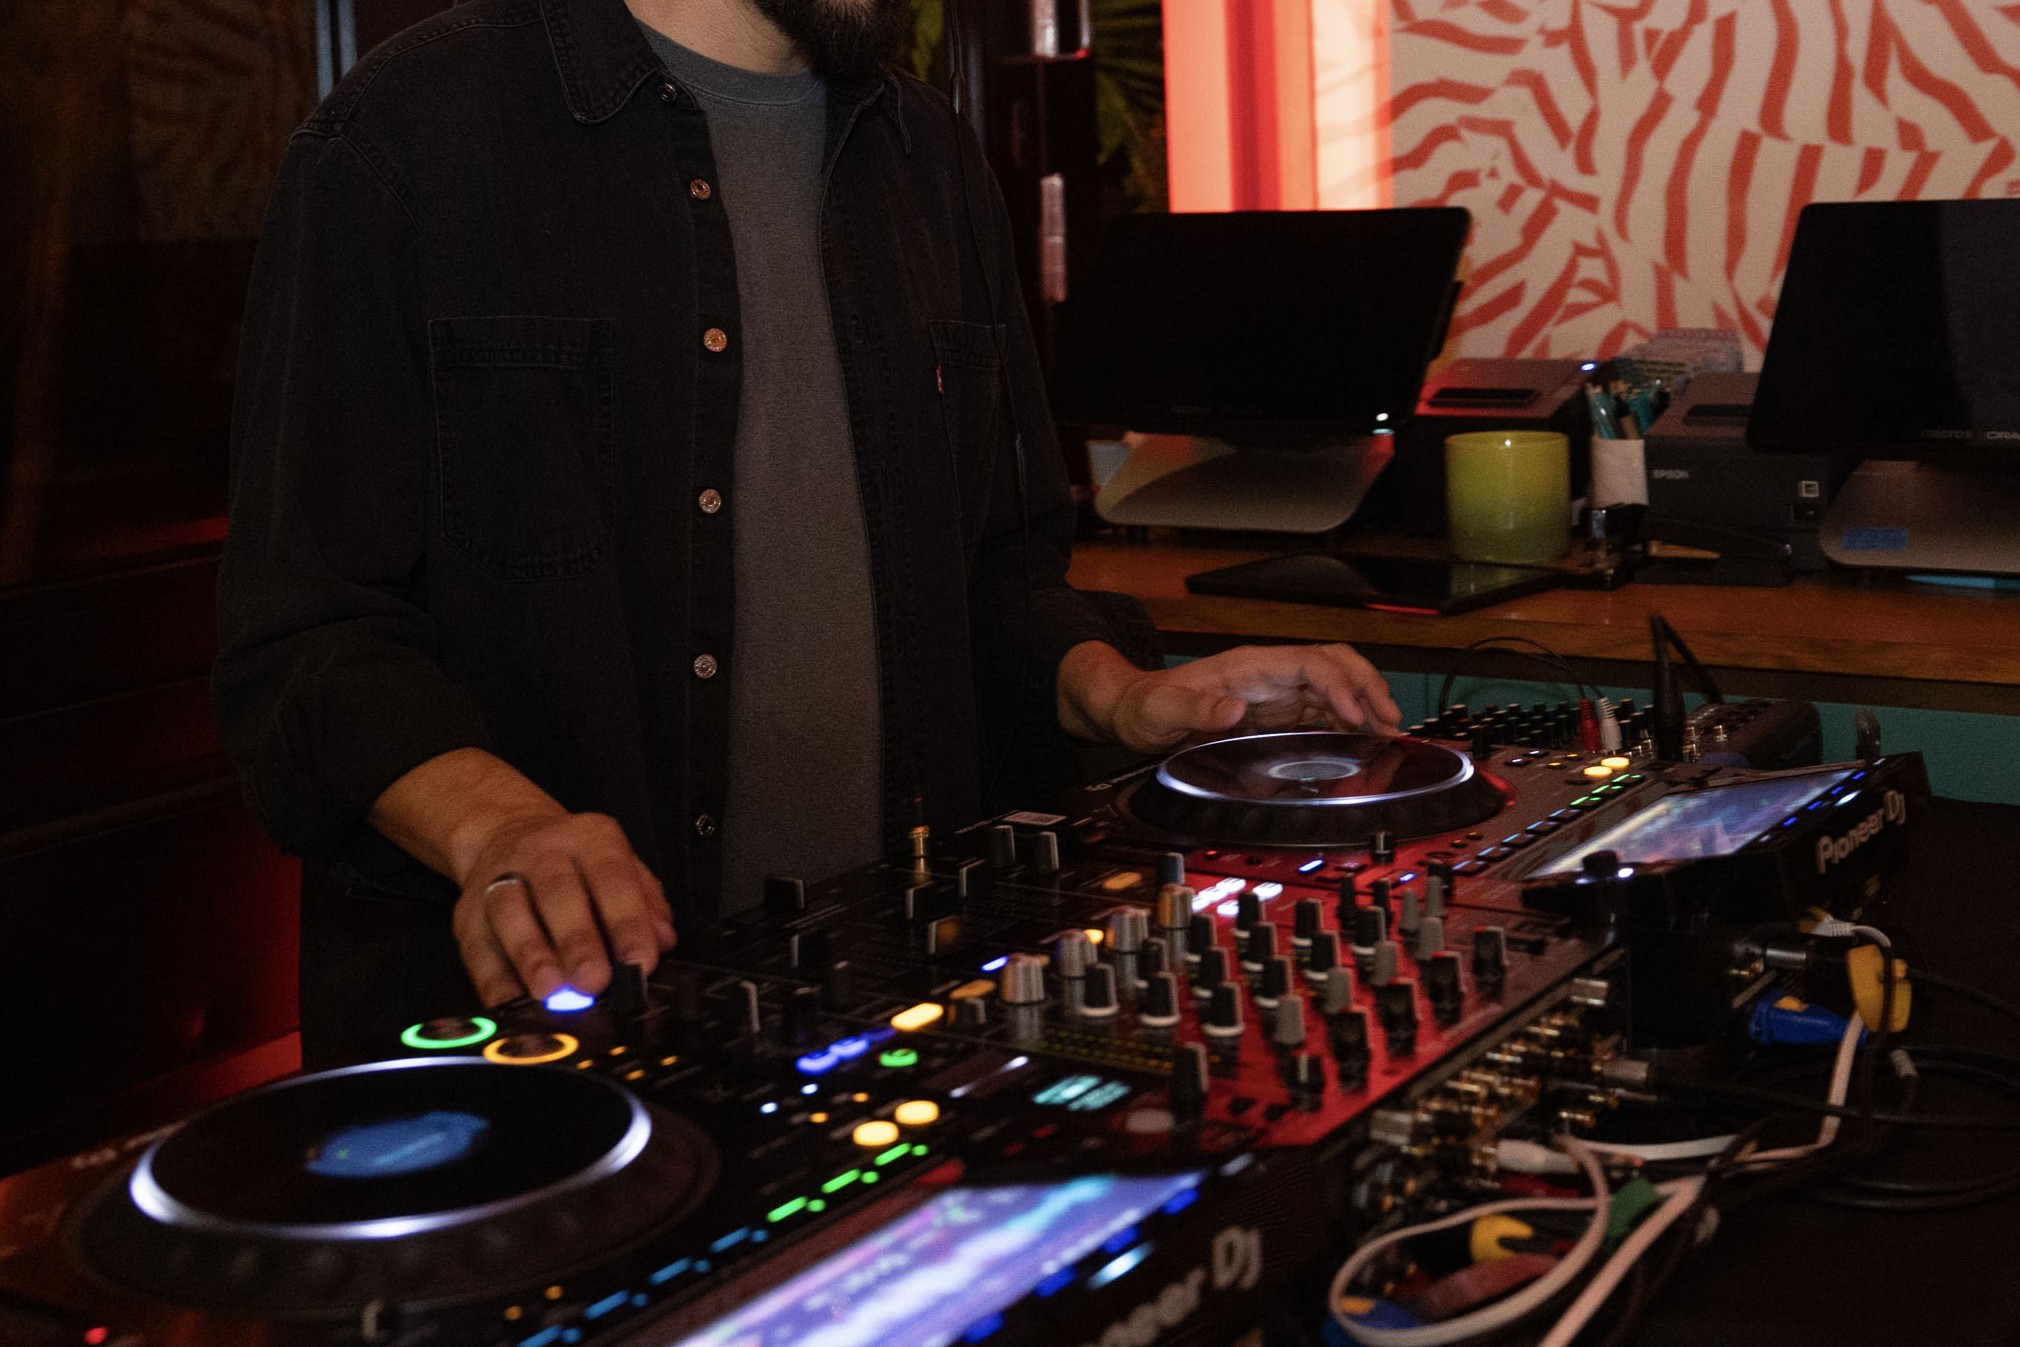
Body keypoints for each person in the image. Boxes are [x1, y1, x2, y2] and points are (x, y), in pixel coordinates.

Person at [214, 0, 1400, 1063]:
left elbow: (995, 567)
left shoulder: (928, 155)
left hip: (891, 1005)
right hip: (540, 1071)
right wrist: (499, 827)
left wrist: (1118, 693)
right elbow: (308, 639)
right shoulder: (410, 134)